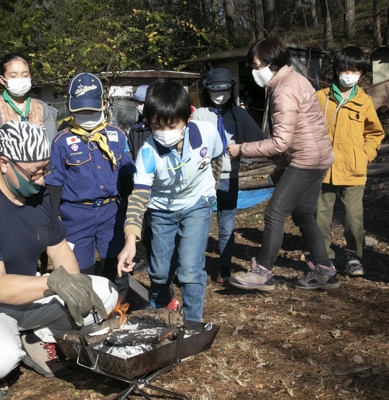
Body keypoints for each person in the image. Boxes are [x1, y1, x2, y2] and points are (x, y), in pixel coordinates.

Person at [0, 121, 118, 399]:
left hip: (29, 294)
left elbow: (59, 247)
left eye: (45, 169)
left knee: (104, 292)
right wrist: (56, 283)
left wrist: (75, 284)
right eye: (33, 172)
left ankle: (36, 334)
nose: (41, 180)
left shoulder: (39, 197)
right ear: (4, 163)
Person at [226, 37, 337, 292]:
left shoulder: (284, 90)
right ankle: (325, 272)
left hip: (306, 160)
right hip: (318, 157)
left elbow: (279, 142)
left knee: (274, 213)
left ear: (272, 63)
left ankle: (262, 272)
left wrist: (241, 149)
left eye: (256, 66)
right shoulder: (295, 79)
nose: (254, 72)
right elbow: (300, 130)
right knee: (303, 215)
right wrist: (283, 165)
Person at [117, 79, 223, 322]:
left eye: (171, 125)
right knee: (160, 271)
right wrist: (130, 240)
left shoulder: (206, 133)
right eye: (157, 127)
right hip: (162, 210)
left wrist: (211, 191)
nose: (164, 133)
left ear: (188, 116)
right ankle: (160, 308)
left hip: (197, 204)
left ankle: (193, 324)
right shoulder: (148, 152)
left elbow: (217, 158)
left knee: (189, 270)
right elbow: (139, 196)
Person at [45, 72, 136, 300]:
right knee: (78, 269)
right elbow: (54, 184)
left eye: (92, 111)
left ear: (104, 105)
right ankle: (84, 309)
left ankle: (118, 306)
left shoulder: (116, 136)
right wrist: (51, 219)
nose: (87, 116)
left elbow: (127, 177)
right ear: (70, 107)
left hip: (111, 213)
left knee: (115, 264)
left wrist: (132, 213)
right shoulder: (61, 142)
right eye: (81, 111)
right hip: (76, 216)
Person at [315, 47, 385, 277]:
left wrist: (364, 155)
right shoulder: (321, 97)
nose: (349, 73)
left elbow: (375, 134)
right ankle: (323, 258)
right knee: (320, 216)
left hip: (353, 171)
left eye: (355, 70)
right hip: (323, 169)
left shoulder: (364, 101)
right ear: (336, 70)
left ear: (361, 72)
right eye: (345, 69)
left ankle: (354, 257)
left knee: (353, 218)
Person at [192, 68, 266, 283]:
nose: (220, 95)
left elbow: (259, 140)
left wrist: (242, 148)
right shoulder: (199, 115)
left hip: (230, 178)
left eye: (224, 90)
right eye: (215, 90)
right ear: (207, 90)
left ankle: (224, 269)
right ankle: (198, 269)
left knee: (226, 227)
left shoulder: (239, 114)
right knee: (201, 225)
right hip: (204, 179)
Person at [0, 53, 58, 173]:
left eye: (25, 75)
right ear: (2, 80)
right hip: (3, 184)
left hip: (40, 181)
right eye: (13, 76)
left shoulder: (44, 110)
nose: (20, 80)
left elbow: (53, 154)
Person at [127, 85, 152, 274]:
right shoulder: (135, 130)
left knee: (155, 223)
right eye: (137, 102)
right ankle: (142, 257)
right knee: (140, 222)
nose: (139, 106)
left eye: (142, 102)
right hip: (139, 183)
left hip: (156, 184)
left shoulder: (159, 129)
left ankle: (155, 257)